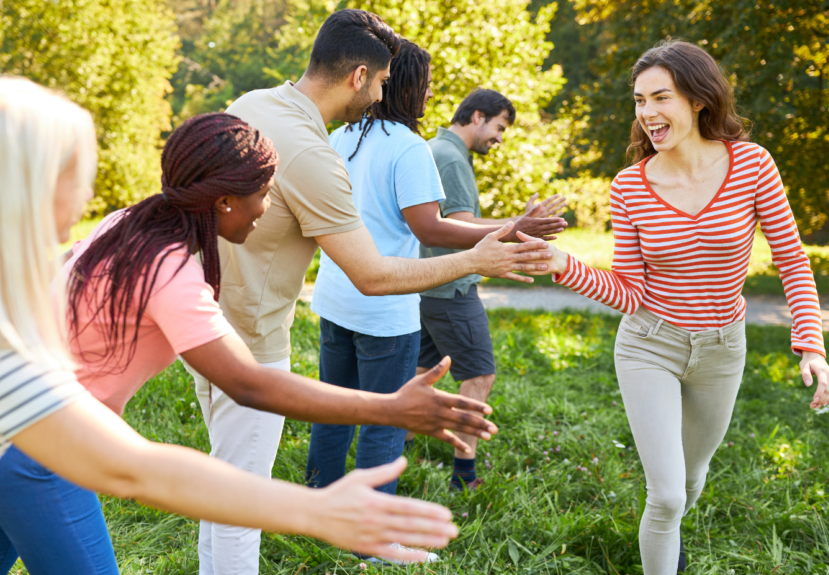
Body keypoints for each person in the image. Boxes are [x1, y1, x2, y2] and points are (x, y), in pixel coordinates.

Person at [0, 77, 464, 575]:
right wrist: (318, 507)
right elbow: (136, 467)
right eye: (72, 184)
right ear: (24, 189)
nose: (78, 206)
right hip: (15, 471)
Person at [189, 10, 555, 574]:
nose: (386, 91)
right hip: (253, 345)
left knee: (227, 483)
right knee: (243, 503)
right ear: (360, 76)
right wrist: (479, 258)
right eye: (382, 80)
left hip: (206, 321)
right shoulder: (316, 153)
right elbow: (375, 274)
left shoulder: (254, 103)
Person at [521, 40, 829, 575]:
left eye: (659, 98)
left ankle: (668, 540)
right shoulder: (630, 187)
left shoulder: (752, 164)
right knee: (666, 495)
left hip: (721, 349)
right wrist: (559, 261)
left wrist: (812, 346)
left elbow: (792, 260)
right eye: (639, 101)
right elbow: (628, 292)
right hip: (650, 344)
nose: (646, 113)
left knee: (691, 481)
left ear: (696, 99)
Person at [305, 40, 566, 532]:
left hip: (337, 299)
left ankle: (319, 506)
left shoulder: (343, 136)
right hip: (385, 312)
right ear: (400, 84)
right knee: (384, 424)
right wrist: (509, 228)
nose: (428, 97)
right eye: (423, 86)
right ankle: (371, 536)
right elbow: (432, 229)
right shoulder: (408, 146)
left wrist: (510, 224)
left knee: (333, 408)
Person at [412, 88, 567, 492]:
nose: (499, 139)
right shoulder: (450, 157)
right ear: (477, 116)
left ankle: (399, 448)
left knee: (420, 371)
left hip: (429, 283)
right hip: (452, 288)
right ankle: (463, 476)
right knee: (480, 374)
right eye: (498, 127)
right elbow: (462, 224)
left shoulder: (434, 149)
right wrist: (521, 225)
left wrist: (519, 222)